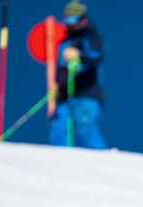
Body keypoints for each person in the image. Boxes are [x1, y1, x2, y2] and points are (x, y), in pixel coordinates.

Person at [48, 1, 107, 149]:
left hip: (86, 93)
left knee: (84, 131)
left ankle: (103, 164)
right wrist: (57, 84)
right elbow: (61, 68)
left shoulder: (90, 37)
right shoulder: (64, 42)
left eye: (73, 20)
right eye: (66, 20)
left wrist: (79, 56)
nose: (69, 24)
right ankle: (59, 164)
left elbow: (95, 58)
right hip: (64, 95)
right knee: (58, 130)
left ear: (83, 20)